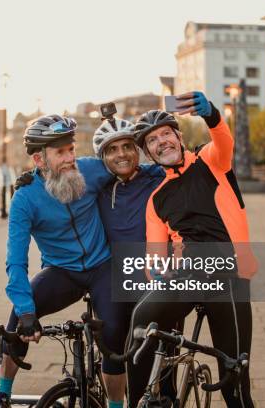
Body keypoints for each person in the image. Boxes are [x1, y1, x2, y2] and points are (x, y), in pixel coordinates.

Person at [0, 114, 131, 408]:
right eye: (60, 152)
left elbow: (129, 168)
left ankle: (116, 405)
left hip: (104, 266)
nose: (69, 158)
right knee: (16, 321)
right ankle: (2, 393)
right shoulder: (25, 198)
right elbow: (15, 262)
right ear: (40, 160)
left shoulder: (91, 171)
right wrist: (28, 311)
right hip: (62, 272)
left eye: (71, 149)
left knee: (113, 336)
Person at [128, 91, 257, 408]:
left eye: (165, 134)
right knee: (142, 317)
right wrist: (161, 282)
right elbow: (155, 259)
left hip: (228, 273)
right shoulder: (156, 198)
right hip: (187, 276)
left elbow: (223, 138)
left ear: (178, 136)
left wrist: (211, 112)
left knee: (234, 385)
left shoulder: (211, 161)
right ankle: (148, 399)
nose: (162, 142)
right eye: (153, 141)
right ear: (149, 153)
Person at [93, 112, 182, 407]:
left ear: (138, 150)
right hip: (118, 280)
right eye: (112, 149)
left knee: (163, 356)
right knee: (116, 345)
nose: (121, 154)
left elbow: (189, 163)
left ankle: (165, 397)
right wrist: (30, 181)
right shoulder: (99, 187)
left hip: (160, 277)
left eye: (127, 146)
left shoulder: (157, 175)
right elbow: (62, 173)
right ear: (102, 157)